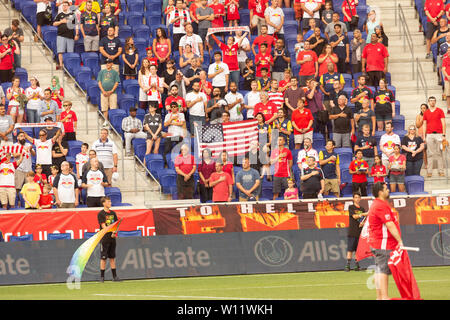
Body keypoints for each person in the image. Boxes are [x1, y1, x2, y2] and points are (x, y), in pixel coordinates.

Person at [368, 181, 404, 300]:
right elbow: (389, 224)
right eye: (386, 188)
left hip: (377, 242)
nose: (388, 190)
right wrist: (399, 241)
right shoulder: (380, 205)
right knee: (383, 270)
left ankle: (380, 297)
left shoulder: (377, 204)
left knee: (379, 270)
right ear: (380, 192)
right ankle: (384, 297)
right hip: (382, 243)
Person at [97, 196, 121, 282]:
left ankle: (115, 277)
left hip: (112, 238)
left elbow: (116, 224)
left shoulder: (113, 213)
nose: (110, 203)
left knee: (112, 257)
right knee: (103, 258)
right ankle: (102, 277)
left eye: (110, 202)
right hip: (104, 238)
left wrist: (114, 233)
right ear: (104, 203)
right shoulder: (101, 214)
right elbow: (104, 226)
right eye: (108, 202)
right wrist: (111, 231)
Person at [423, 96, 446, 177]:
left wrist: (444, 134)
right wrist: (424, 136)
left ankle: (441, 171)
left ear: (435, 102)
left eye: (433, 101)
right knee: (430, 153)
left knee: (439, 153)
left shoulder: (440, 111)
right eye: (431, 101)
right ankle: (429, 172)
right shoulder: (426, 112)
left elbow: (443, 123)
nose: (432, 102)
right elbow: (424, 125)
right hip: (429, 134)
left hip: (439, 134)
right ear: (428, 102)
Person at [53, 1, 79, 70]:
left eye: (66, 5)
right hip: (61, 35)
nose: (64, 6)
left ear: (68, 6)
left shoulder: (72, 14)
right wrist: (61, 21)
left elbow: (76, 25)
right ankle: (61, 65)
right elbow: (54, 24)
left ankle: (69, 67)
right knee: (60, 51)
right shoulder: (59, 14)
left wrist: (76, 34)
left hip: (70, 36)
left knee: (70, 52)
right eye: (63, 5)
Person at [345, 192, 367, 272]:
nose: (357, 199)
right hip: (352, 231)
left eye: (358, 197)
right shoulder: (351, 207)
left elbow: (364, 220)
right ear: (353, 198)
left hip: (359, 232)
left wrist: (363, 223)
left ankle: (357, 265)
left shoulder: (362, 209)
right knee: (350, 249)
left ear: (360, 199)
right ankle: (347, 265)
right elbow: (354, 216)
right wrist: (364, 214)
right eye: (356, 197)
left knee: (357, 250)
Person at [97, 58, 120, 125]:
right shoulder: (101, 72)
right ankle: (106, 120)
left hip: (113, 93)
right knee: (104, 107)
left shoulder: (115, 72)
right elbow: (99, 82)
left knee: (113, 107)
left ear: (112, 64)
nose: (107, 64)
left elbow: (116, 82)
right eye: (106, 63)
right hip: (103, 92)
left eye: (109, 63)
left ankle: (112, 121)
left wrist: (112, 90)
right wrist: (103, 91)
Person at [163, 102, 186, 167]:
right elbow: (165, 125)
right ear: (170, 108)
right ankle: (165, 163)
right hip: (170, 135)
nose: (173, 108)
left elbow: (181, 123)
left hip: (178, 135)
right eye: (172, 107)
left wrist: (171, 123)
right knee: (167, 149)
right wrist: (171, 119)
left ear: (177, 107)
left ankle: (183, 163)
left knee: (184, 147)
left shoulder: (181, 114)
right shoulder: (168, 115)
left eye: (174, 107)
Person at [416, 103, 429, 169]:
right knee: (423, 150)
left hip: (428, 134)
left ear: (427, 108)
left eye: (424, 108)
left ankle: (430, 163)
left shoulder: (430, 115)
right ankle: (426, 164)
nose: (423, 109)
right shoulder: (418, 116)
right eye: (421, 108)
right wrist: (423, 117)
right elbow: (417, 125)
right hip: (421, 135)